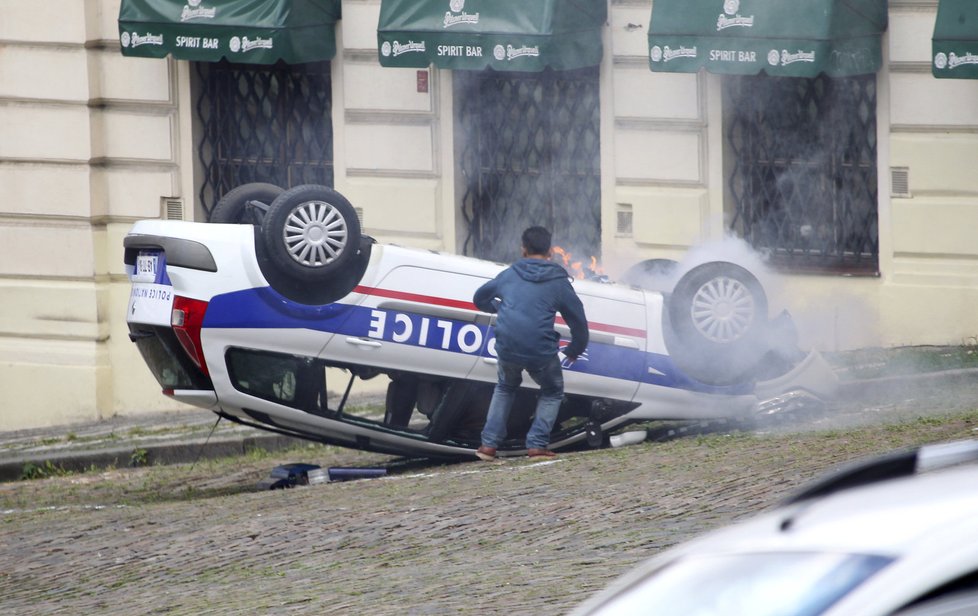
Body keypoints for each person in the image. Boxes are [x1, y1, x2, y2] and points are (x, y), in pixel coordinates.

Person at [473, 226, 589, 461]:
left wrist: (496, 308)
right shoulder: (558, 282)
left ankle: (488, 446)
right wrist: (576, 348)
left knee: (505, 387)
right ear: (550, 251)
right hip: (540, 350)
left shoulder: (509, 275)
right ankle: (536, 445)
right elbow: (578, 320)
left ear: (523, 249)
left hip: (507, 345)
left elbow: (479, 298)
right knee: (552, 391)